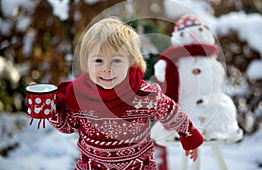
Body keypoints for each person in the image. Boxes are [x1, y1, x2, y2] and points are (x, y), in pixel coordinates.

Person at [30, 17, 204, 170]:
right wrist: (51, 110)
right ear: (87, 62)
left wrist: (189, 135)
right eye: (98, 60)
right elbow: (68, 126)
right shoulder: (79, 95)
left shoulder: (142, 95)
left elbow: (170, 111)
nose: (107, 68)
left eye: (116, 60)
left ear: (132, 62)